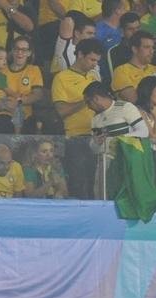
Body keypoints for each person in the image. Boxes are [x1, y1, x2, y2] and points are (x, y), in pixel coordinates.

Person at [53, 37, 105, 198]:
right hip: (75, 138)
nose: (94, 64)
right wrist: (86, 100)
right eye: (91, 59)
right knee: (79, 184)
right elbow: (61, 110)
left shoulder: (94, 77)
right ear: (80, 54)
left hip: (97, 136)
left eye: (97, 61)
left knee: (96, 185)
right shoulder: (62, 78)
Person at [112, 30, 156, 103]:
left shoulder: (154, 69)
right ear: (135, 49)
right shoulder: (121, 71)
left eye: (153, 47)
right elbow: (135, 100)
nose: (152, 51)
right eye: (147, 47)